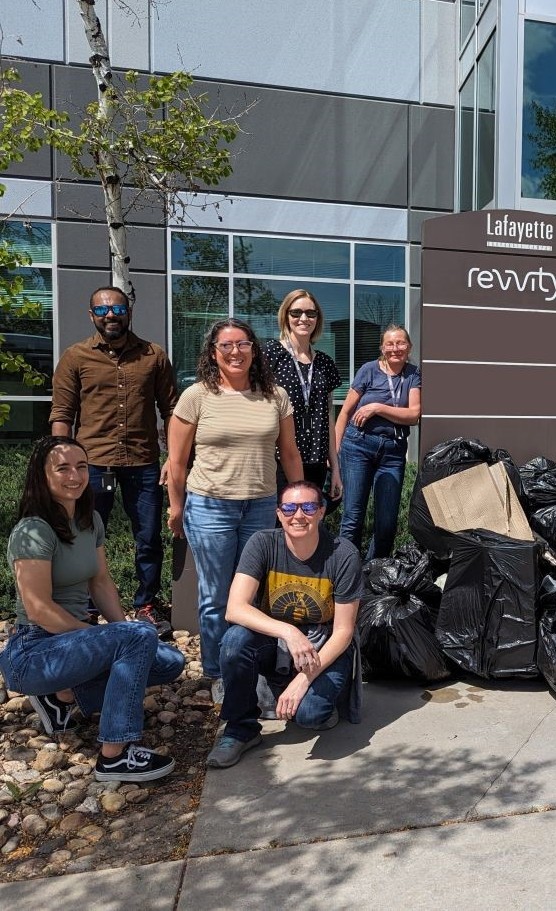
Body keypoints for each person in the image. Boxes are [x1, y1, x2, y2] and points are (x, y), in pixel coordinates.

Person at [0, 436, 184, 782]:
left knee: (171, 662)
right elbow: (38, 610)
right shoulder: (33, 531)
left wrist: (127, 635)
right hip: (35, 649)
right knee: (136, 637)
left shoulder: (90, 520)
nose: (75, 475)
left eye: (82, 466)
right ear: (42, 475)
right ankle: (115, 755)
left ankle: (63, 694)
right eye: (63, 468)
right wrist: (114, 637)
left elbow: (101, 584)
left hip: (70, 643)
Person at [167, 318, 303, 702]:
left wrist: (298, 499)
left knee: (255, 594)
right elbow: (177, 462)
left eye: (243, 344)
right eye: (226, 345)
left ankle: (250, 665)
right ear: (213, 353)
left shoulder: (274, 396)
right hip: (210, 506)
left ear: (254, 350)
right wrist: (176, 507)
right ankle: (219, 672)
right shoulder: (196, 396)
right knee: (215, 596)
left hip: (260, 506)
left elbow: (289, 453)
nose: (235, 352)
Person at [206, 479, 362, 768]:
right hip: (277, 640)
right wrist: (289, 632)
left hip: (324, 642)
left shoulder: (343, 554)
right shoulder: (263, 543)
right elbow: (235, 608)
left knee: (311, 716)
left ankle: (300, 692)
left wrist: (304, 680)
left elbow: (343, 632)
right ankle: (241, 729)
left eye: (308, 507)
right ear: (279, 514)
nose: (298, 515)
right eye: (289, 507)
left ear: (321, 512)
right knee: (234, 641)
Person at [50, 286, 178, 636]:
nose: (111, 316)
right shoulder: (75, 357)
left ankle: (147, 604)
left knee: (149, 537)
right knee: (85, 536)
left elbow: (171, 411)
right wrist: (61, 460)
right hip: (92, 463)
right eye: (103, 310)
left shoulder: (153, 356)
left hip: (143, 462)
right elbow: (62, 412)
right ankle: (86, 608)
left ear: (129, 314)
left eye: (118, 310)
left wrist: (174, 457)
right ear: (91, 315)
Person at [335, 324, 421, 560]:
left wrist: (377, 408)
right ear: (383, 348)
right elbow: (344, 413)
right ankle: (346, 574)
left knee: (386, 524)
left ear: (409, 347)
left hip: (393, 452)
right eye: (390, 344)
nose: (396, 348)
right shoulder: (369, 370)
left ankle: (373, 576)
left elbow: (413, 415)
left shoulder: (413, 374)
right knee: (353, 518)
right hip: (358, 446)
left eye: (401, 343)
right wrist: (335, 455)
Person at [263, 290, 343, 507]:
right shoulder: (270, 353)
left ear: (318, 319)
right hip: (278, 459)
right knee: (280, 522)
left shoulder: (325, 363)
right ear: (285, 316)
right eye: (296, 312)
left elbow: (327, 416)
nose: (304, 319)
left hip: (315, 457)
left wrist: (335, 467)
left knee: (308, 522)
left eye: (310, 313)